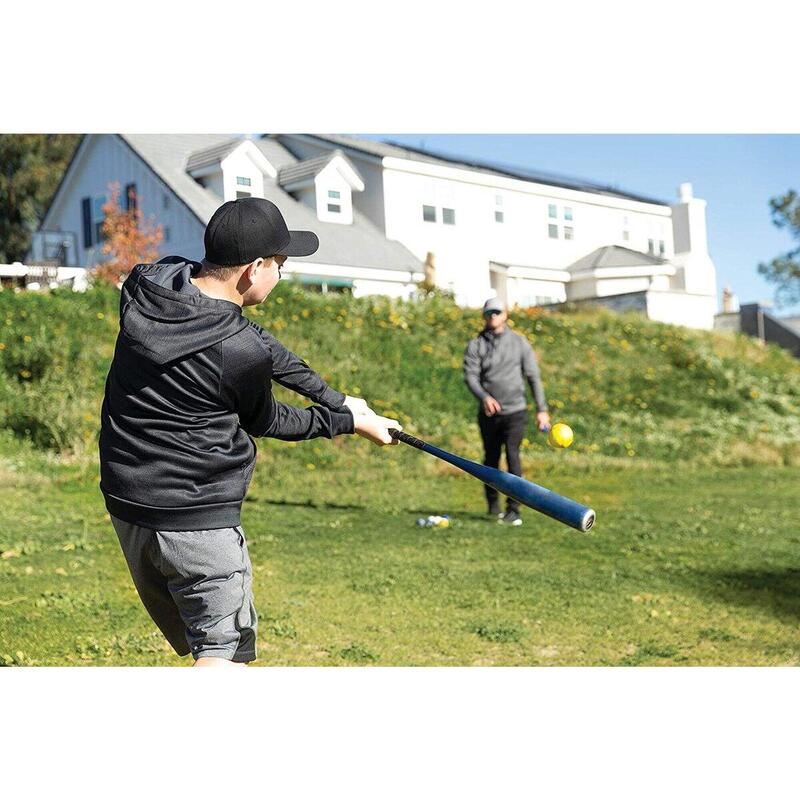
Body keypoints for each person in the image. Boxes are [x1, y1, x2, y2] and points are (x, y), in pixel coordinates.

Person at [99, 197, 401, 666]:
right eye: (279, 264)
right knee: (222, 654)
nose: (282, 274)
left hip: (129, 505)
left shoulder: (151, 283)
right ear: (254, 268)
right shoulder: (234, 352)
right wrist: (346, 424)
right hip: (197, 519)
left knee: (216, 651)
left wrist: (338, 399)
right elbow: (268, 420)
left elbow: (257, 341)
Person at [463, 297, 550, 526]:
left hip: (515, 412)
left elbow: (533, 377)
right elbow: (470, 376)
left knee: (513, 458)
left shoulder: (520, 343)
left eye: (497, 312)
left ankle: (514, 510)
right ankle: (493, 507)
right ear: (484, 316)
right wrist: (484, 397)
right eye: (489, 312)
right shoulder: (476, 345)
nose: (493, 316)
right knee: (490, 460)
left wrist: (542, 409)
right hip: (489, 415)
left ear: (505, 315)